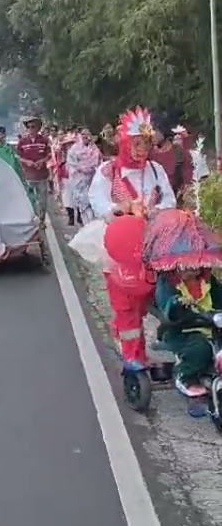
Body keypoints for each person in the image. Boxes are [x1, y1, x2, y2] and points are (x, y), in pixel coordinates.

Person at [88, 107, 177, 370]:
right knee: (125, 303)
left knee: (145, 300)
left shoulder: (156, 169)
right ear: (126, 143)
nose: (142, 150)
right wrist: (121, 208)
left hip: (152, 245)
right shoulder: (108, 171)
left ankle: (137, 348)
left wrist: (155, 211)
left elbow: (169, 199)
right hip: (120, 247)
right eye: (137, 144)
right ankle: (132, 357)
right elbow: (98, 201)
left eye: (147, 144)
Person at [142, 208, 222, 396]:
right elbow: (167, 307)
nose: (192, 270)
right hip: (182, 330)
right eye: (186, 267)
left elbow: (219, 297)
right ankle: (184, 376)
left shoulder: (208, 280)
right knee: (199, 349)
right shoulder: (168, 283)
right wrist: (178, 303)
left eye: (195, 266)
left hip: (211, 324)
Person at [17, 114, 51, 227]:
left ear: (38, 128)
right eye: (29, 127)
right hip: (29, 176)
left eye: (33, 127)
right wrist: (26, 162)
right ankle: (32, 218)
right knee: (30, 199)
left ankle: (41, 220)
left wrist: (42, 161)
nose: (31, 129)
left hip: (42, 175)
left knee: (43, 200)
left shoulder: (44, 140)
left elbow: (49, 155)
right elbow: (18, 156)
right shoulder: (22, 142)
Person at [150, 115, 193, 200]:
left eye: (154, 130)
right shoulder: (149, 154)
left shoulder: (178, 153)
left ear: (164, 131)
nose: (151, 134)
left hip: (176, 203)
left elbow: (188, 179)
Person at [66, 129, 101, 226]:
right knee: (82, 203)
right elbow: (70, 161)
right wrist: (79, 167)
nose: (85, 137)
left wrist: (89, 168)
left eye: (87, 135)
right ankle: (86, 224)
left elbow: (96, 162)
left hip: (91, 179)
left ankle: (91, 224)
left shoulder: (94, 149)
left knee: (91, 202)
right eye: (83, 135)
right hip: (78, 179)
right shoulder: (74, 148)